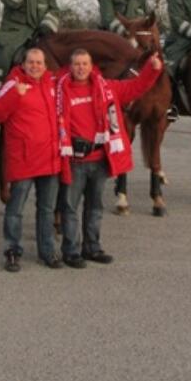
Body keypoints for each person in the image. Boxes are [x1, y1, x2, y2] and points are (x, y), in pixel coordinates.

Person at [57, 48, 162, 268]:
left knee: (95, 207)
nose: (81, 68)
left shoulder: (107, 88)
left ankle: (92, 247)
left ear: (91, 65)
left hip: (99, 158)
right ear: (70, 66)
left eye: (85, 64)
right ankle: (71, 250)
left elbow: (136, 87)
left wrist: (151, 71)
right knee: (70, 208)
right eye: (77, 64)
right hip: (75, 160)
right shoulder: (60, 89)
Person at [0, 48, 62, 272]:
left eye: (39, 62)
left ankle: (47, 251)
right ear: (23, 64)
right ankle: (12, 250)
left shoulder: (52, 85)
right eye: (31, 62)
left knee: (46, 210)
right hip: (23, 159)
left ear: (45, 66)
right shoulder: (13, 84)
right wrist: (13, 94)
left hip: (49, 159)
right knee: (15, 209)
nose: (35, 66)